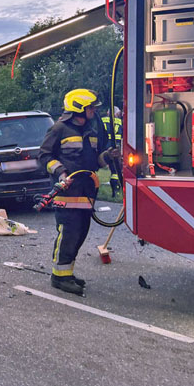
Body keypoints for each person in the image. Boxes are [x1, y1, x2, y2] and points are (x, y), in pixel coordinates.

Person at [38, 89, 119, 296]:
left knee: (80, 234)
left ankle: (67, 273)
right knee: (68, 235)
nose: (94, 111)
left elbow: (94, 162)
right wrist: (61, 172)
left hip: (86, 194)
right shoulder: (59, 129)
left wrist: (108, 156)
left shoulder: (90, 131)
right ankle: (58, 277)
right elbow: (44, 157)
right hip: (67, 193)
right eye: (91, 107)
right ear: (79, 109)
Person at [101, 107, 123, 197]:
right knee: (115, 171)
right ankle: (116, 192)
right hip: (115, 148)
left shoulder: (102, 120)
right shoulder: (119, 121)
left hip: (104, 147)